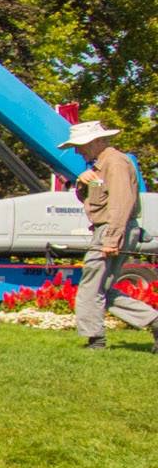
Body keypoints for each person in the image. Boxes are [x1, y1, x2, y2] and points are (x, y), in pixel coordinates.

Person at [62, 119, 157, 351]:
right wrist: (81, 183)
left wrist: (112, 239)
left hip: (113, 228)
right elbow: (93, 200)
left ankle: (96, 341)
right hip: (111, 228)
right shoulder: (99, 166)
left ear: (95, 142)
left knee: (91, 286)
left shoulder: (114, 163)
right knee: (100, 287)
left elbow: (120, 203)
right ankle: (152, 321)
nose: (76, 150)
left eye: (79, 145)